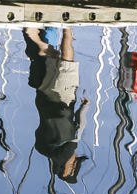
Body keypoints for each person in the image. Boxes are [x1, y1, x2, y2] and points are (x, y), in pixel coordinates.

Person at [25, 26, 90, 183]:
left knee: (67, 60)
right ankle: (35, 37)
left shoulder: (65, 153)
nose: (75, 157)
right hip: (43, 100)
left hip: (63, 100)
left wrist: (85, 107)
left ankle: (67, 28)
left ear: (68, 170)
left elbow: (79, 129)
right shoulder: (41, 149)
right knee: (52, 58)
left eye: (75, 163)